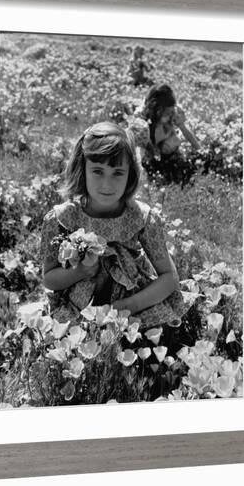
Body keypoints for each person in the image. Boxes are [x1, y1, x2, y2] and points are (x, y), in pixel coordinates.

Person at [40, 121, 185, 330]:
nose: (107, 184)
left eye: (117, 173)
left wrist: (126, 307)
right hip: (80, 307)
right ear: (82, 169)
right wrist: (80, 271)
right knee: (78, 335)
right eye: (98, 171)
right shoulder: (62, 218)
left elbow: (169, 278)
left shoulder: (141, 218)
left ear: (130, 175)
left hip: (132, 303)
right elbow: (49, 280)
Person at [142, 84, 200, 185]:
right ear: (156, 111)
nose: (170, 115)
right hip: (155, 159)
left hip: (171, 155)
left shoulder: (172, 114)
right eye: (167, 113)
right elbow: (140, 155)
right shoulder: (145, 126)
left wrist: (199, 150)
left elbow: (189, 136)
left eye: (171, 111)